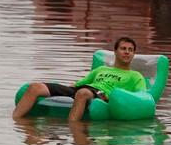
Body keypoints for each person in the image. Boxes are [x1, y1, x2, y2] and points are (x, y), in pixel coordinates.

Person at [13, 36, 148, 122]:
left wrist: (117, 98)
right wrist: (61, 90)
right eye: (123, 48)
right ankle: (16, 122)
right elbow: (79, 84)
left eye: (130, 50)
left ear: (133, 54)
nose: (127, 52)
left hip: (103, 95)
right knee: (35, 87)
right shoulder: (101, 69)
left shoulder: (136, 76)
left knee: (82, 93)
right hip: (83, 89)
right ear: (115, 51)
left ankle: (73, 130)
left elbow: (141, 97)